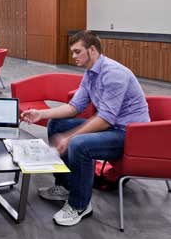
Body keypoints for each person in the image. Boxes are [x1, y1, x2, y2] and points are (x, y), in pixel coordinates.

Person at [20, 31, 149, 227]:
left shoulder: (114, 74)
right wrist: (41, 114)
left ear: (92, 50)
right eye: (72, 52)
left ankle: (80, 205)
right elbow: (74, 107)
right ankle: (65, 185)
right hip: (111, 128)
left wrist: (70, 138)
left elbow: (105, 119)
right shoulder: (90, 74)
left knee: (79, 143)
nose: (73, 56)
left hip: (129, 134)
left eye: (77, 51)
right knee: (57, 124)